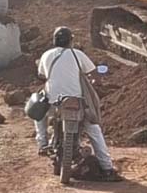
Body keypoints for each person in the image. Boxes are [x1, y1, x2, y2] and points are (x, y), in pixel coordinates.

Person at [35, 27, 122, 181]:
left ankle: (42, 142)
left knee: (37, 109)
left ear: (54, 40)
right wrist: (95, 82)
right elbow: (94, 74)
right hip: (76, 103)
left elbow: (41, 76)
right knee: (94, 130)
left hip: (54, 103)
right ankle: (108, 169)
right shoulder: (77, 54)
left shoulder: (46, 55)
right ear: (71, 40)